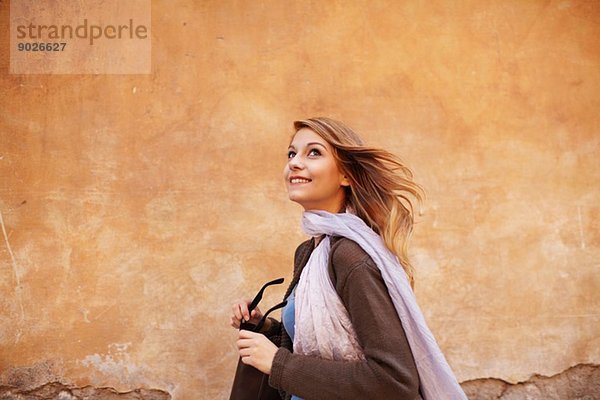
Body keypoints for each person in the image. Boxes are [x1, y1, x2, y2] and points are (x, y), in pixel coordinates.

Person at [230, 117, 466, 400]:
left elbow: (394, 380)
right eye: (292, 153)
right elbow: (316, 349)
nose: (294, 162)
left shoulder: (351, 257)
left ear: (346, 175)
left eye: (313, 152)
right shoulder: (311, 251)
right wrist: (264, 327)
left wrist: (278, 364)